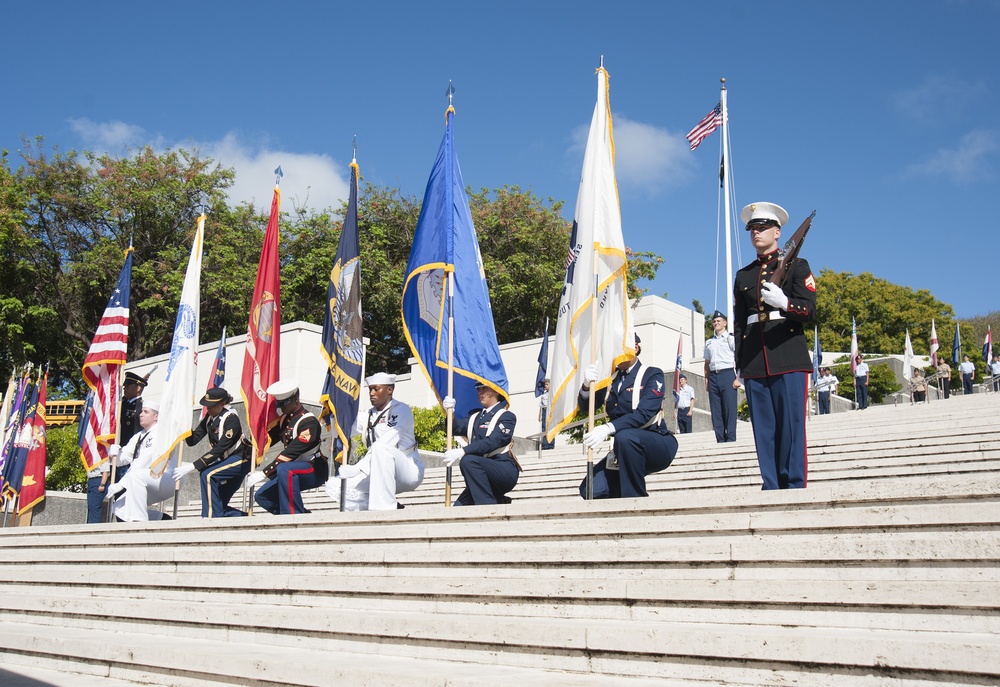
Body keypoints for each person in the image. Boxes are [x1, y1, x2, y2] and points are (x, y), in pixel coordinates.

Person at [733, 201, 816, 490]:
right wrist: (740, 364)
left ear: (777, 232)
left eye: (762, 228)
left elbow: (811, 310)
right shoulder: (743, 275)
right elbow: (741, 324)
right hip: (755, 359)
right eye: (752, 229)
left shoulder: (797, 266)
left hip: (788, 356)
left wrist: (785, 303)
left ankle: (794, 485)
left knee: (791, 427)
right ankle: (771, 484)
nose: (756, 233)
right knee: (764, 430)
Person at [576, 335, 678, 499]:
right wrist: (586, 386)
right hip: (623, 447)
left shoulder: (651, 374)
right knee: (590, 489)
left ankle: (635, 500)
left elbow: (643, 414)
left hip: (656, 441)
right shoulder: (610, 379)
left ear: (635, 348)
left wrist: (607, 428)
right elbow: (586, 408)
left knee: (625, 437)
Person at [330, 373, 425, 511]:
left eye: (376, 389)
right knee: (335, 485)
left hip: (407, 469)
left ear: (389, 390)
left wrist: (358, 468)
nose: (371, 393)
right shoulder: (368, 414)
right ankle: (390, 505)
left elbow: (389, 440)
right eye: (370, 389)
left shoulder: (401, 410)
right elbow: (341, 429)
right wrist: (334, 411)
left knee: (381, 447)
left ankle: (384, 510)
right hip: (377, 470)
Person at [248, 379, 328, 515]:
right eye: (278, 404)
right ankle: (300, 514)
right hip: (290, 469)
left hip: (313, 468)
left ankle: (293, 515)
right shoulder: (284, 420)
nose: (281, 408)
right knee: (262, 496)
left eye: (284, 403)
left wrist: (264, 472)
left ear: (296, 399)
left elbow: (291, 453)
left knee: (285, 469)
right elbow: (267, 440)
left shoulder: (309, 422)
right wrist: (251, 441)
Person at [172, 388, 250, 518]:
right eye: (207, 405)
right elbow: (193, 440)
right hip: (226, 460)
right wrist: (184, 426)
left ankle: (209, 519)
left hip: (241, 459)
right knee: (217, 504)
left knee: (208, 474)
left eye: (212, 406)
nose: (209, 409)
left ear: (223, 403)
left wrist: (194, 465)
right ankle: (248, 519)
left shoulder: (231, 419)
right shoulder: (210, 418)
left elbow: (220, 447)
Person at [442, 382, 520, 506]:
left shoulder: (506, 416)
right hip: (480, 472)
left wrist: (463, 451)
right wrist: (450, 412)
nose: (480, 393)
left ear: (496, 391)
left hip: (502, 469)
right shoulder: (475, 416)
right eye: (478, 389)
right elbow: (456, 428)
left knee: (468, 461)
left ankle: (488, 508)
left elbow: (492, 441)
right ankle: (496, 500)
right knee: (459, 508)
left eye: (484, 389)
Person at [105, 399, 179, 521]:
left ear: (156, 417)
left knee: (136, 476)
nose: (141, 414)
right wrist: (113, 454)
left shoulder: (160, 434)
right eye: (141, 411)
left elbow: (144, 461)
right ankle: (162, 518)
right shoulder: (138, 436)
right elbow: (123, 459)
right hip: (146, 478)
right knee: (120, 507)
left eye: (146, 412)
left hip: (166, 478)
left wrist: (122, 484)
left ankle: (140, 522)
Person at [703, 310, 738, 442]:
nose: (716, 323)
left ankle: (731, 438)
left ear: (725, 323)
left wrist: (738, 377)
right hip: (713, 376)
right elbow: (707, 363)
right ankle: (720, 438)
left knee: (729, 408)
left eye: (719, 321)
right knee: (716, 410)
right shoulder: (709, 342)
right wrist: (707, 380)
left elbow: (739, 358)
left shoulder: (730, 339)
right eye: (714, 321)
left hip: (727, 374)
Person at [115, 371, 148, 481]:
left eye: (128, 386)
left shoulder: (142, 407)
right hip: (117, 450)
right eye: (125, 385)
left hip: (132, 453)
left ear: (138, 388)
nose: (125, 388)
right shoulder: (121, 404)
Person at [538, 378, 555, 450]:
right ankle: (545, 445)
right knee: (544, 428)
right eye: (545, 385)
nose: (546, 386)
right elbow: (541, 405)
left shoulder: (553, 393)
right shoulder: (543, 394)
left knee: (551, 427)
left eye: (547, 384)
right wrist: (540, 415)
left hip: (550, 410)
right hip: (544, 410)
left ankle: (551, 444)